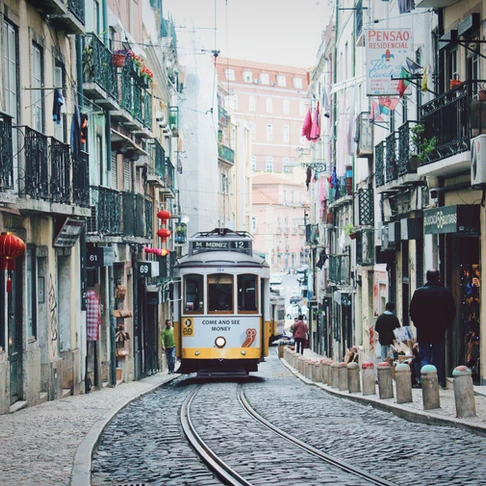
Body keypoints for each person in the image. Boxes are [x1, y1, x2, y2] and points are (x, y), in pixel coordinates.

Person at [410, 269, 456, 388]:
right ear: (438, 277)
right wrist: (446, 324)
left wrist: (417, 324)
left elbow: (412, 311)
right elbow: (452, 311)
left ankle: (426, 379)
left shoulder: (419, 292)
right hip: (439, 329)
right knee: (438, 355)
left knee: (424, 355)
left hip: (423, 329)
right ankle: (436, 379)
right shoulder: (446, 292)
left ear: (426, 277)